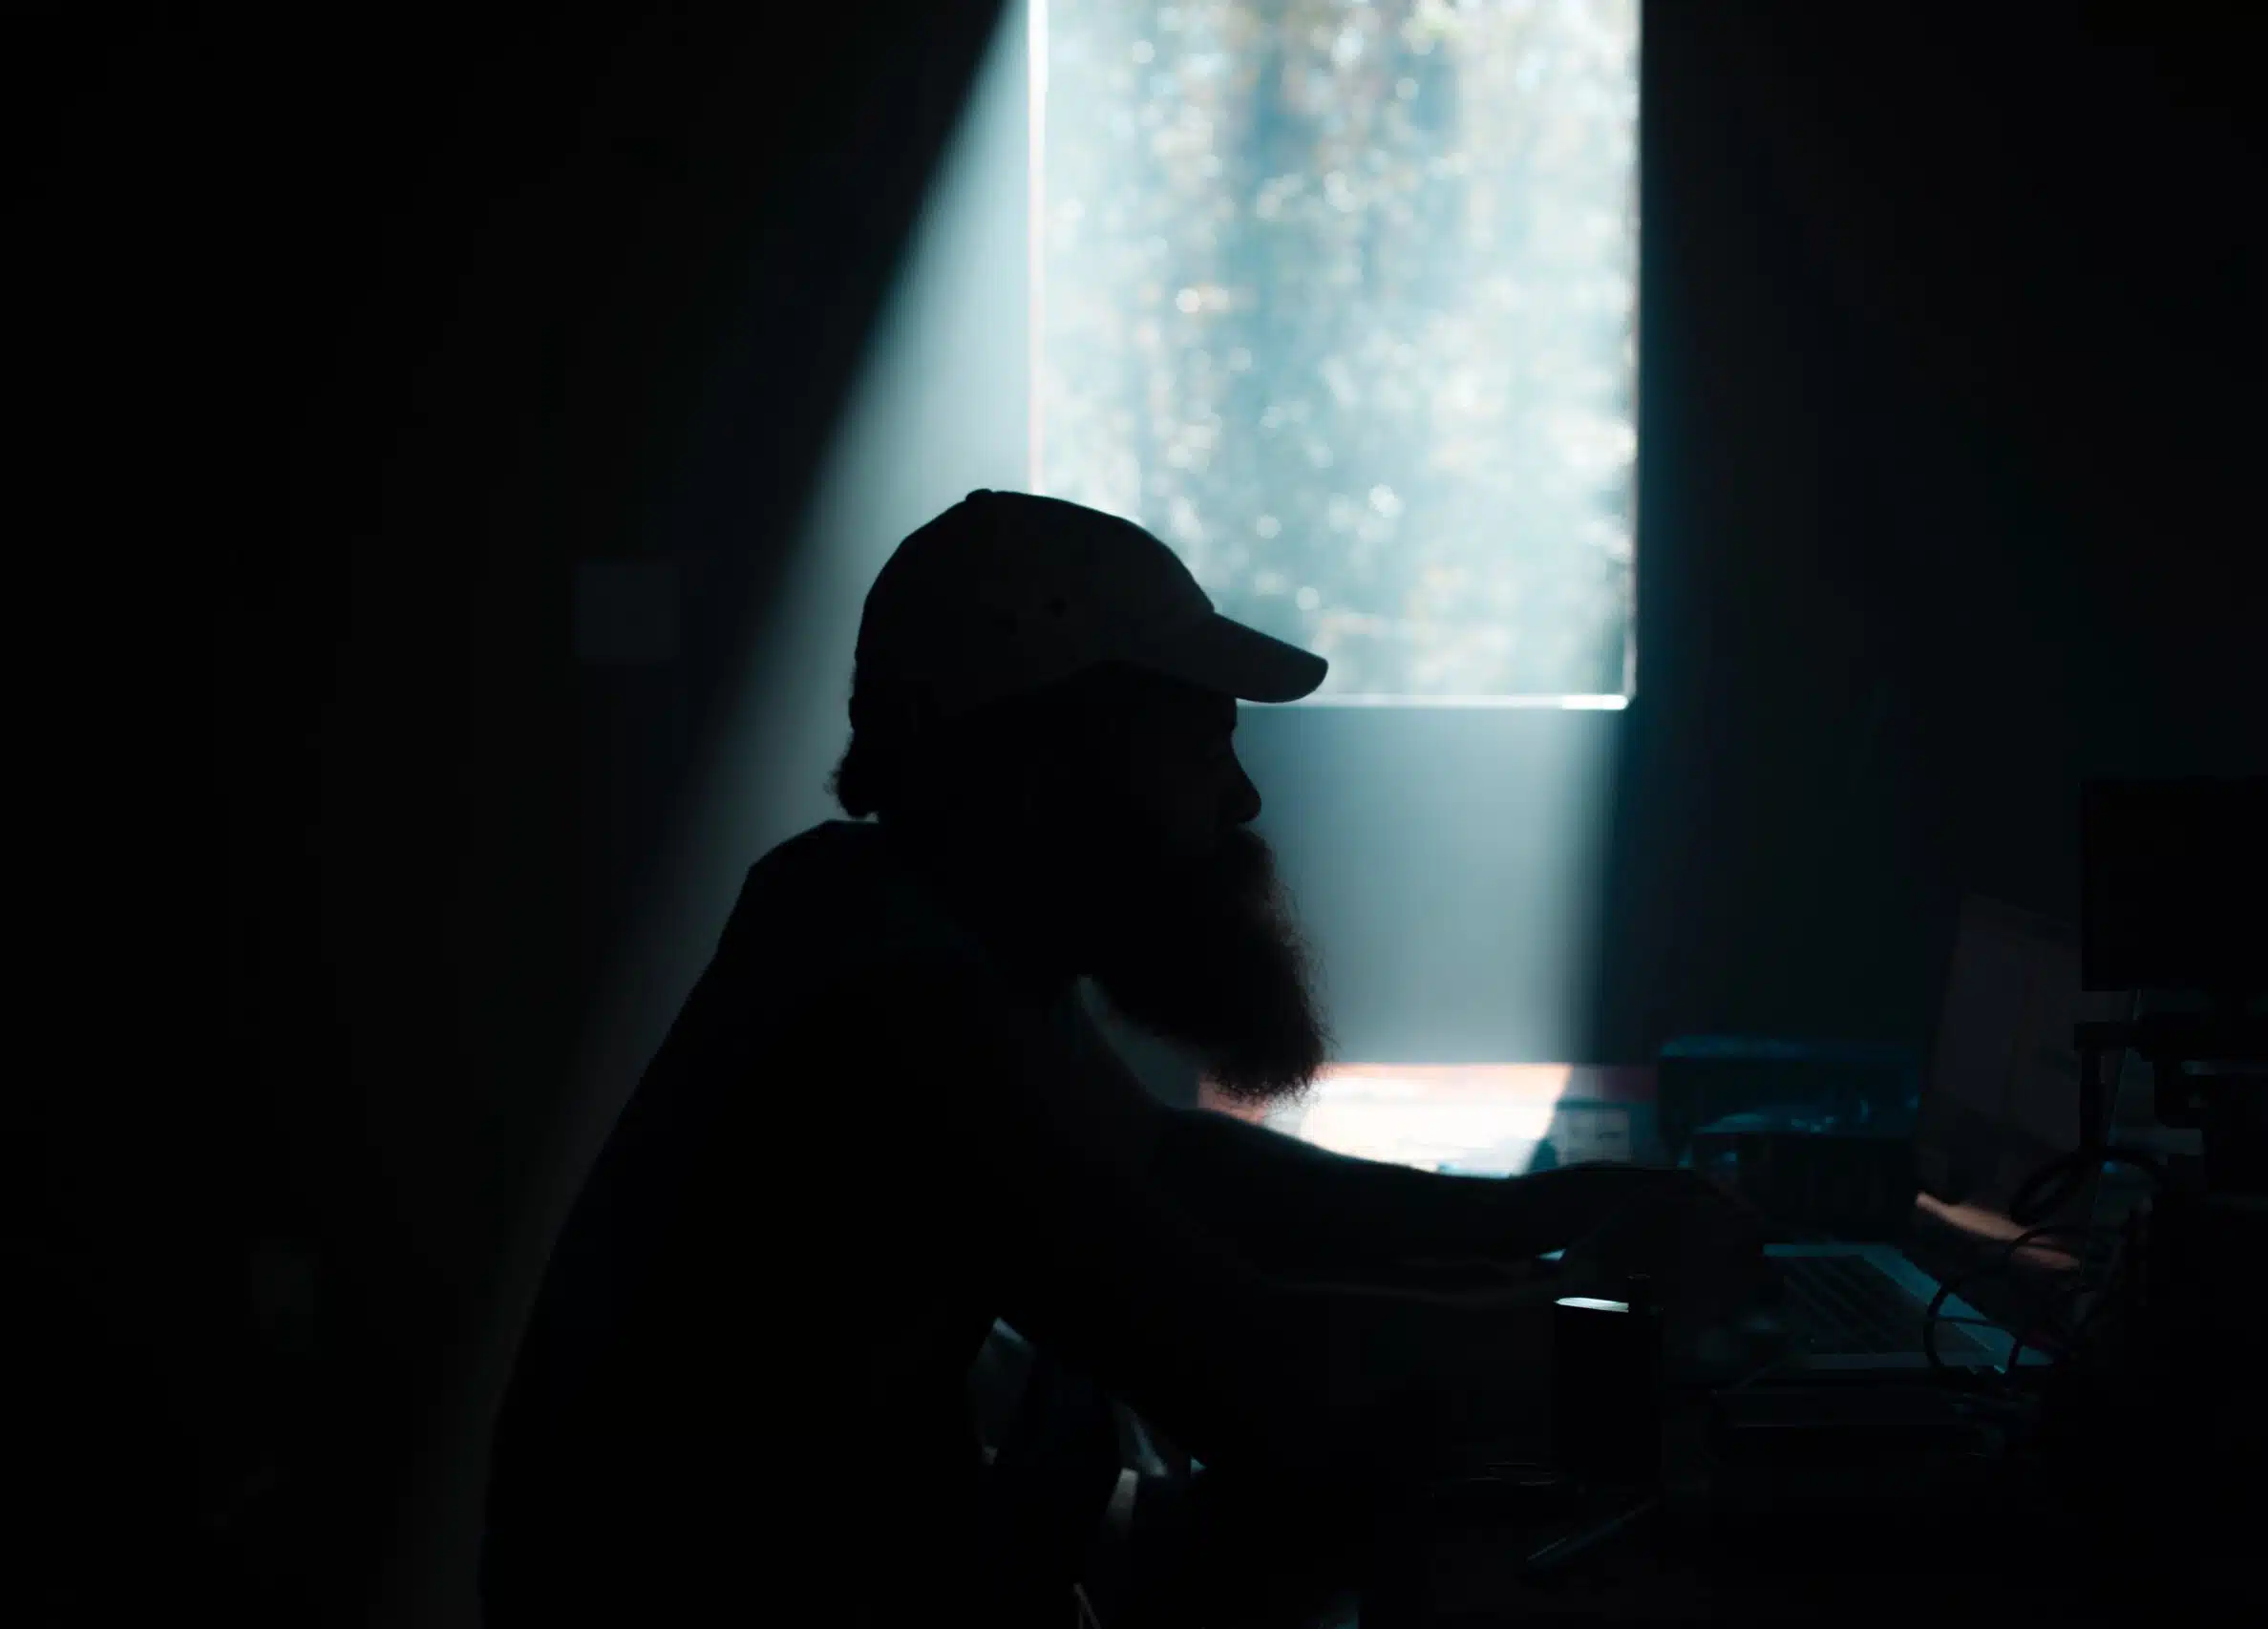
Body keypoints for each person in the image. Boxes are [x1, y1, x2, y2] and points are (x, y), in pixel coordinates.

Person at [480, 491, 1768, 1625]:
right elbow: (1253, 1369)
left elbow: (1167, 1166)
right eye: (1198, 739)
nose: (1242, 797)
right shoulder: (899, 990)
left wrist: (1546, 1211)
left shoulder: (905, 915)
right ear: (1048, 761)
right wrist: (1638, 1338)